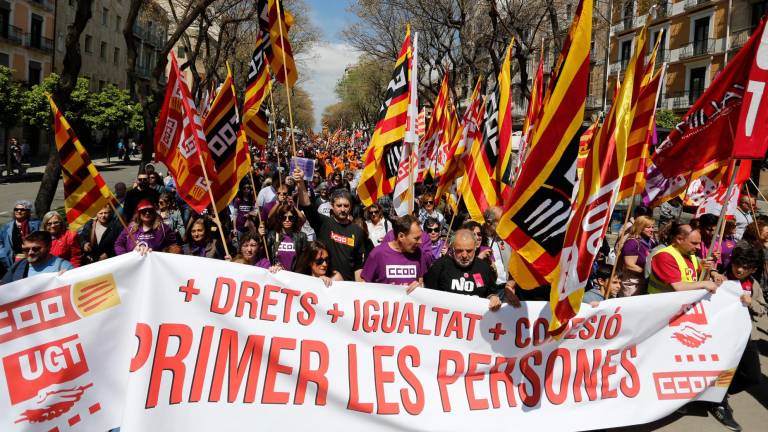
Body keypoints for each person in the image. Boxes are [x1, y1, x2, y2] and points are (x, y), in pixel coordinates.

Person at [705, 243, 766, 431]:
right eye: (737, 264)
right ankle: (718, 403)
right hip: (718, 337)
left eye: (746, 267)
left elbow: (762, 309)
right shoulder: (719, 278)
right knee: (722, 370)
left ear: (753, 269)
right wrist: (712, 274)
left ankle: (715, 393)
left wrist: (751, 303)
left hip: (745, 336)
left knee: (753, 376)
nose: (739, 269)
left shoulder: (753, 284)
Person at [298, 170, 366, 281]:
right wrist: (300, 182)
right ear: (332, 206)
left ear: (351, 207)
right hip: (324, 284)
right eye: (339, 206)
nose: (343, 209)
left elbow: (358, 266)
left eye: (346, 206)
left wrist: (359, 289)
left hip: (347, 287)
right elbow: (307, 206)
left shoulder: (357, 231)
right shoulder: (323, 223)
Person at [423, 229, 508, 310]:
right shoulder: (439, 266)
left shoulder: (484, 268)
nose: (464, 255)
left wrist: (493, 298)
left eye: (469, 251)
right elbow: (426, 294)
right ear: (452, 248)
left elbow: (491, 292)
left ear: (475, 248)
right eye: (459, 251)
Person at [648, 223, 721, 294]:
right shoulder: (664, 256)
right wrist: (704, 283)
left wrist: (706, 269)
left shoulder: (691, 255)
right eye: (694, 243)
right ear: (679, 239)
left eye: (699, 243)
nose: (699, 247)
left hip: (682, 303)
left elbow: (702, 280)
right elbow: (679, 287)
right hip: (662, 303)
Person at [359, 214, 425, 290]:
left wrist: (420, 287)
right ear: (401, 236)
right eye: (416, 238)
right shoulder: (378, 253)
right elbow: (364, 285)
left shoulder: (418, 253)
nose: (420, 242)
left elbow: (420, 281)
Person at [1, 231, 73, 284]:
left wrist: (66, 278)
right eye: (26, 249)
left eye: (36, 249)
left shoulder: (64, 267)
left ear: (49, 247)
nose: (30, 252)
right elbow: (4, 287)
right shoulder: (19, 265)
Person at [618, 215, 656, 296]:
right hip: (633, 282)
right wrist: (647, 273)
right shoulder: (632, 243)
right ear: (640, 227)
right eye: (648, 227)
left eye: (653, 227)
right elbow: (629, 265)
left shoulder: (652, 242)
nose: (652, 230)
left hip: (645, 281)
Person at [0, 200, 41, 272]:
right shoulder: (7, 227)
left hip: (33, 258)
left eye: (22, 209)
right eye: (16, 209)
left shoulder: (37, 224)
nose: (19, 211)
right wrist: (3, 254)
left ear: (28, 212)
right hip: (11, 260)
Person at [264, 204, 307, 271]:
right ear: (280, 219)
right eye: (284, 218)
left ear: (294, 219)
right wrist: (261, 236)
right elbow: (263, 253)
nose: (287, 220)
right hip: (276, 275)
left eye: (290, 218)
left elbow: (304, 260)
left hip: (294, 276)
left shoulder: (301, 237)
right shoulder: (272, 235)